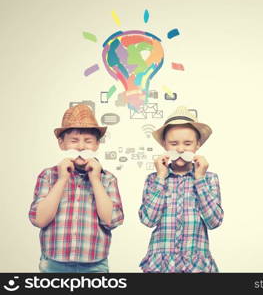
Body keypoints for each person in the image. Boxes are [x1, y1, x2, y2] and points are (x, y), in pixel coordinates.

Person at [28, 104, 124, 273]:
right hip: (53, 263)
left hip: (95, 264)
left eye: (88, 141)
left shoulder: (107, 179)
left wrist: (95, 180)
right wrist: (63, 178)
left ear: (97, 145)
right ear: (61, 143)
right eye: (74, 141)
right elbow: (39, 220)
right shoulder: (48, 176)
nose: (81, 147)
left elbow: (113, 221)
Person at [139, 106, 224, 272]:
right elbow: (148, 220)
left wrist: (199, 179)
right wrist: (161, 178)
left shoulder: (209, 178)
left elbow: (214, 222)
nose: (180, 149)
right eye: (173, 143)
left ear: (197, 145)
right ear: (164, 144)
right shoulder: (154, 179)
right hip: (160, 266)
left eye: (187, 143)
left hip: (196, 266)